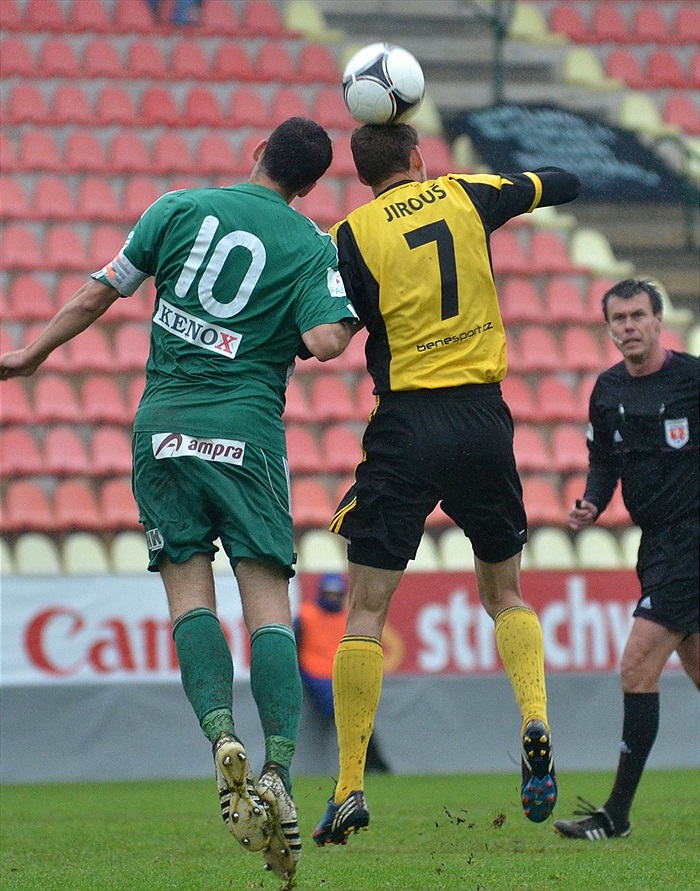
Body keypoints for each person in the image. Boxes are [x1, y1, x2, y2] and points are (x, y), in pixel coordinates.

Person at [0, 117, 358, 883]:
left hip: (162, 430)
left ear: (258, 151)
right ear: (309, 186)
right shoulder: (308, 245)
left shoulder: (178, 208)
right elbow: (327, 343)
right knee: (266, 606)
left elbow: (101, 293)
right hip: (247, 438)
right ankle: (279, 770)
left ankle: (220, 731)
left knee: (188, 595)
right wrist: (348, 305)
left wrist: (30, 354)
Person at [311, 123, 581, 847]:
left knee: (366, 609)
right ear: (418, 159)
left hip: (408, 422)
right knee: (505, 594)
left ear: (364, 175)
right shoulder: (463, 194)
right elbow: (561, 183)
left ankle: (348, 789)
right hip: (484, 417)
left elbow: (333, 328)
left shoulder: (349, 234)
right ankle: (535, 719)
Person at [553, 278, 699, 841]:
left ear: (660, 320)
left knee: (637, 665)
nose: (630, 326)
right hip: (656, 544)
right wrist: (593, 501)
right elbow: (604, 459)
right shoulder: (608, 389)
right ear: (609, 327)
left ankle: (616, 813)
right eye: (619, 319)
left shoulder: (692, 380)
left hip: (692, 540)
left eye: (639, 315)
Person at [294, 572, 390, 772]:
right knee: (346, 713)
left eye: (336, 594)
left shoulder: (348, 615)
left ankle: (370, 761)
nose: (332, 598)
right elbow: (296, 647)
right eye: (328, 593)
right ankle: (368, 762)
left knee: (359, 714)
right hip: (317, 675)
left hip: (343, 673)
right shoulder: (306, 615)